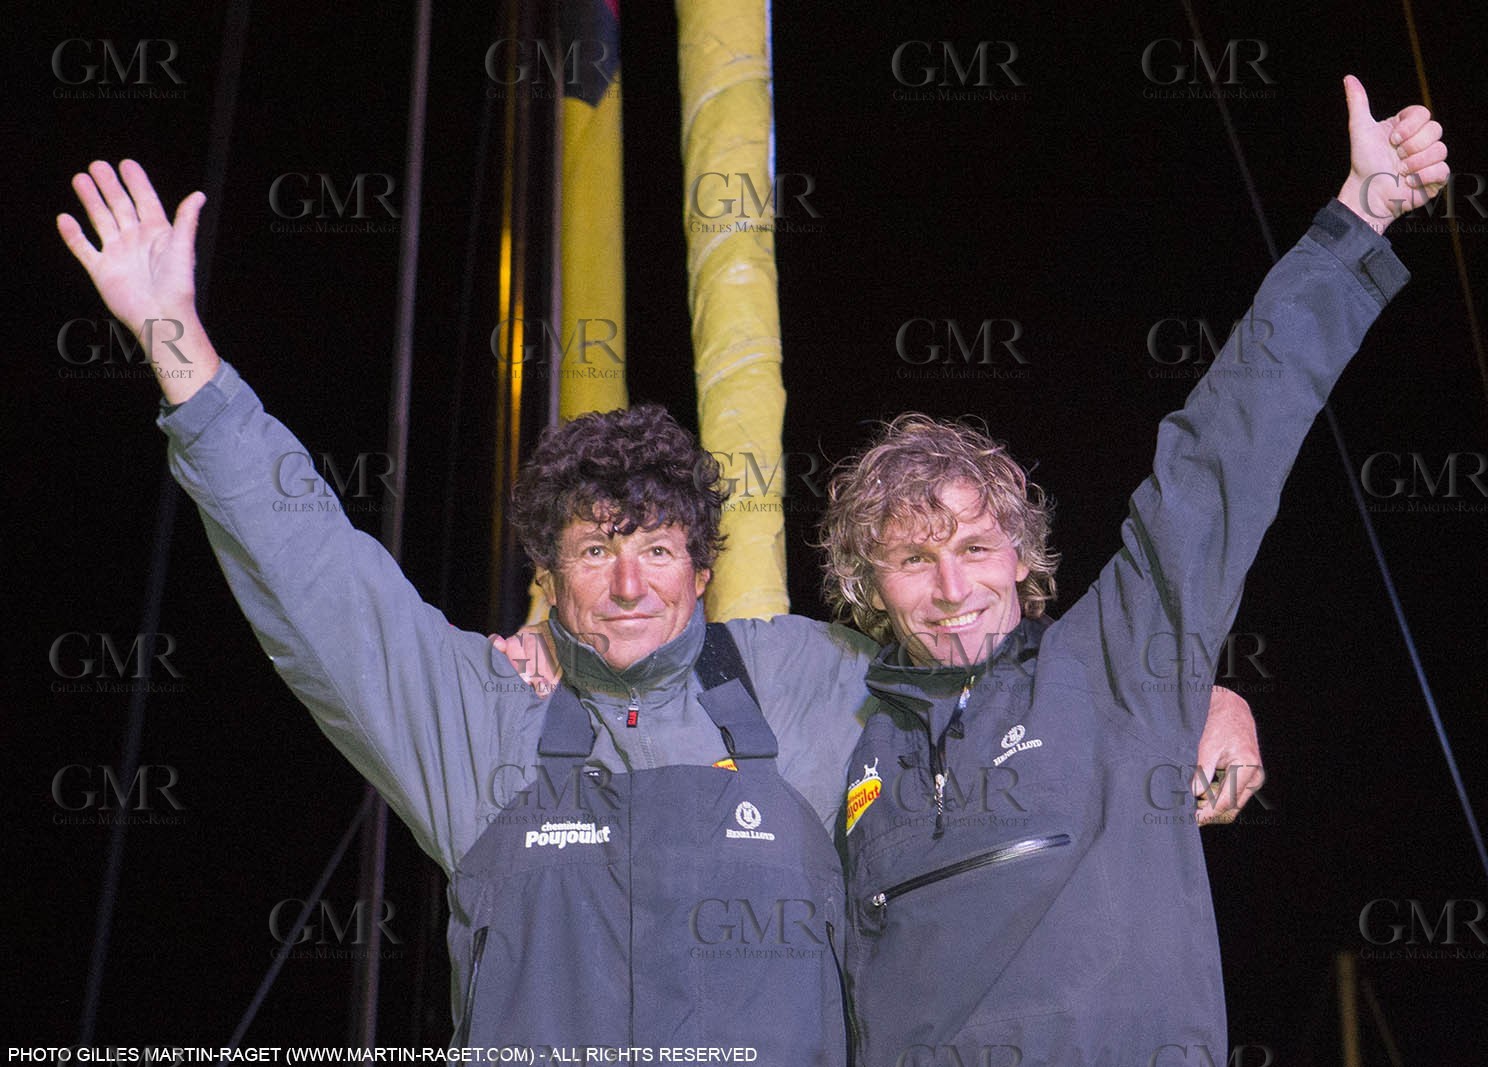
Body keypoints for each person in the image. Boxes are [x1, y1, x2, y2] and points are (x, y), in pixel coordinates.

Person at [55, 163, 1259, 1053]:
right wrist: (174, 338)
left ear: (701, 561)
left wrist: (1206, 697)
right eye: (593, 550)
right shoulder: (476, 720)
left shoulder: (812, 679)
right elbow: (308, 562)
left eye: (657, 548)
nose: (626, 582)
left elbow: (997, 676)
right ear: (551, 569)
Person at [820, 75, 1449, 1066]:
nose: (951, 586)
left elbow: (1222, 447)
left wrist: (1358, 218)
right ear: (867, 583)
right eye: (912, 559)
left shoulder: (1119, 657)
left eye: (975, 547)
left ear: (1021, 556)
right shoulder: (840, 746)